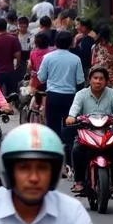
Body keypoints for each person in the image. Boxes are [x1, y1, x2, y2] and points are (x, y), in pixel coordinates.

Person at [66, 65, 113, 195]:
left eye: (101, 78)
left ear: (106, 81)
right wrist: (71, 118)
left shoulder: (112, 93)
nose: (98, 81)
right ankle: (79, 181)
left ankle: (112, 180)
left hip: (107, 131)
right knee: (77, 149)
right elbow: (74, 110)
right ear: (90, 80)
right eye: (95, 78)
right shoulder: (81, 94)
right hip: (86, 131)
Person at [35, 30, 84, 159]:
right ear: (70, 44)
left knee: (53, 126)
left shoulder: (48, 57)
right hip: (70, 98)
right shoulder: (76, 59)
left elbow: (41, 77)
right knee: (70, 127)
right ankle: (69, 157)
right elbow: (80, 81)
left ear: (55, 43)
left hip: (53, 97)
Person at [0, 17, 21, 98]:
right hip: (9, 71)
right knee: (10, 96)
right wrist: (17, 66)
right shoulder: (13, 39)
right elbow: (18, 55)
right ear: (6, 26)